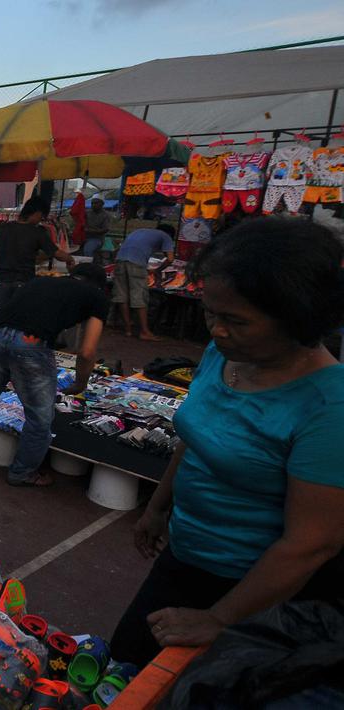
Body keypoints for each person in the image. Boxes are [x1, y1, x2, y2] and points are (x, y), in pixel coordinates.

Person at [110, 218, 344, 666]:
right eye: (210, 313)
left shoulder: (328, 406)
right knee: (124, 663)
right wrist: (158, 507)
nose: (216, 331)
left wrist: (219, 618)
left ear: (297, 316)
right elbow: (197, 438)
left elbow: (312, 543)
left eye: (235, 320)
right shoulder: (224, 356)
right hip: (184, 553)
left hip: (251, 587)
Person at [0, 264, 109, 486]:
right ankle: (21, 473)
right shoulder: (97, 297)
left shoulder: (41, 280)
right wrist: (81, 382)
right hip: (30, 344)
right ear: (100, 286)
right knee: (40, 417)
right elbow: (88, 351)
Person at [0, 197, 75, 309]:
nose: (40, 220)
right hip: (24, 280)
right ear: (37, 213)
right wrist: (70, 259)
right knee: (21, 314)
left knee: (1, 313)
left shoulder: (3, 228)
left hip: (3, 280)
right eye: (41, 217)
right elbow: (56, 253)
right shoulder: (38, 232)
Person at [113, 225, 175, 341]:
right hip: (136, 263)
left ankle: (128, 329)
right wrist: (158, 270)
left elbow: (117, 250)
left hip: (120, 260)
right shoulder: (166, 236)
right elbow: (170, 259)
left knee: (122, 295)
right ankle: (144, 331)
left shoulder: (139, 231)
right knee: (140, 296)